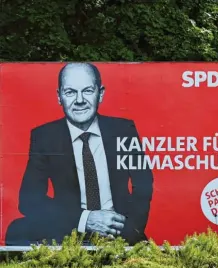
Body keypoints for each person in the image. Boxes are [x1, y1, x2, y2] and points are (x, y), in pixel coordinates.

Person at [5, 62, 154, 246]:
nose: (80, 100)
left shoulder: (123, 130)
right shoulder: (45, 136)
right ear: (59, 96)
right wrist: (85, 220)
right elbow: (29, 200)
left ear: (101, 93)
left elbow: (143, 184)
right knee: (16, 230)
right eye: (70, 92)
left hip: (116, 228)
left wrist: (129, 228)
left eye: (88, 91)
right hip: (69, 227)